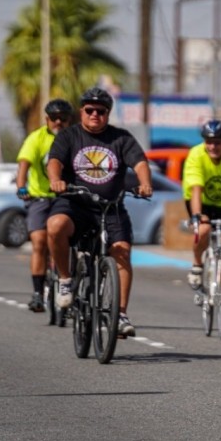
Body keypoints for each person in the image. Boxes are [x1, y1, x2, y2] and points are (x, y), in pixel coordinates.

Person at [46, 87, 153, 338]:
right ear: (81, 111)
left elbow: (139, 162)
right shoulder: (69, 136)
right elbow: (55, 161)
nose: (95, 115)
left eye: (101, 111)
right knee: (55, 226)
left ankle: (121, 315)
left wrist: (145, 183)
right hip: (75, 205)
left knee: (122, 252)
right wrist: (55, 179)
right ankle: (64, 281)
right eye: (89, 110)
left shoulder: (121, 138)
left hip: (111, 206)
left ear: (108, 113)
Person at [16, 98, 73, 312]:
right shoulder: (36, 138)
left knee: (71, 240)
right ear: (47, 119)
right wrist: (22, 187)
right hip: (40, 197)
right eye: (54, 118)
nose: (59, 122)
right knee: (39, 242)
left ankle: (70, 283)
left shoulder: (74, 137)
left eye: (63, 119)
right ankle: (38, 293)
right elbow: (24, 165)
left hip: (66, 197)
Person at [182, 119, 221, 294]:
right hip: (200, 201)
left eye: (217, 142)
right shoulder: (196, 154)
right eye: (209, 142)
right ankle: (197, 264)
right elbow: (196, 188)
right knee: (203, 230)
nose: (213, 146)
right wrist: (198, 215)